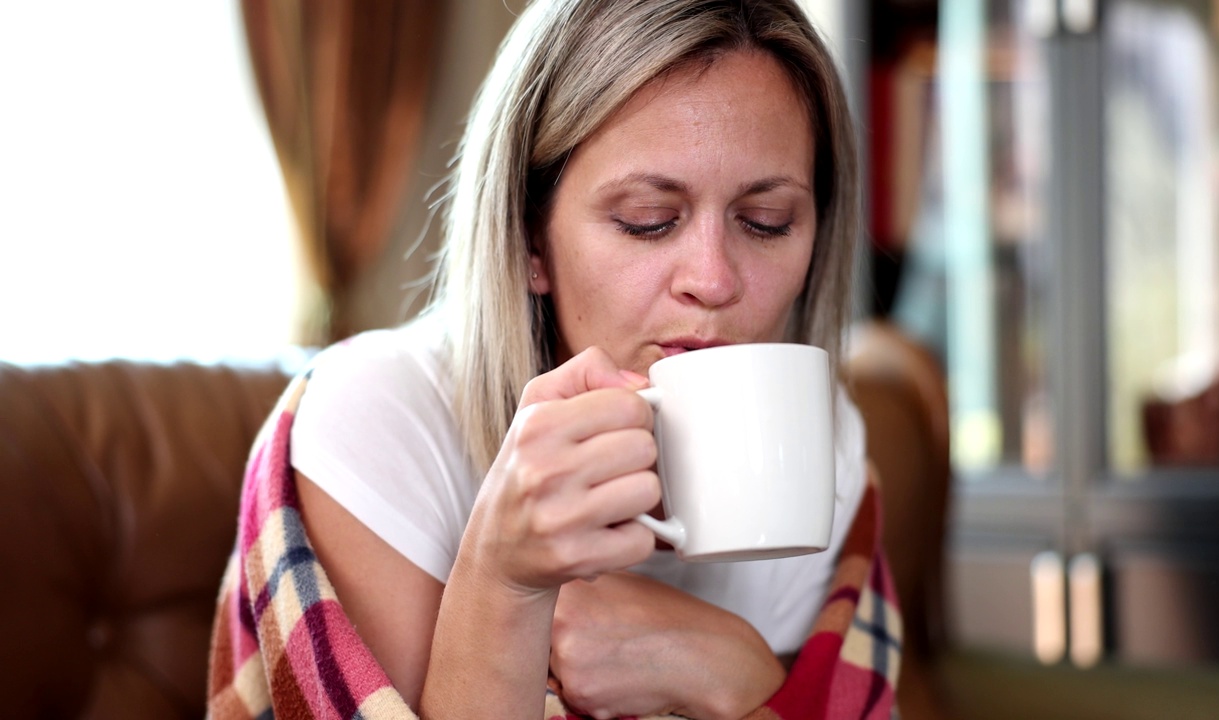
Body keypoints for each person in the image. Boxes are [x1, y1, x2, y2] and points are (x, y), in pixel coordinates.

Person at [208, 1, 896, 718]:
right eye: (648, 220)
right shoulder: (380, 422)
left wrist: (732, 669)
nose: (715, 279)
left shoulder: (819, 446)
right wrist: (501, 583)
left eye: (765, 223)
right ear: (530, 240)